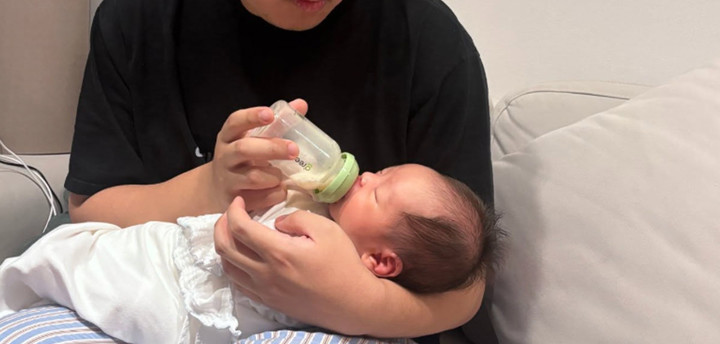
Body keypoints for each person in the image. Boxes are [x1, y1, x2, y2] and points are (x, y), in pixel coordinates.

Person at [61, 0, 496, 341]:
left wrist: (351, 301)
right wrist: (212, 185)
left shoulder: (429, 45)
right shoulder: (141, 19)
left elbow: (466, 286)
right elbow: (90, 211)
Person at [0, 165, 501, 344]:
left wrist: (350, 300)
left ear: (381, 263)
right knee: (81, 260)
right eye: (382, 171)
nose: (366, 175)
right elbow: (88, 205)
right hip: (154, 247)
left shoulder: (320, 242)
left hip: (172, 299)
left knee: (106, 285)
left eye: (378, 192)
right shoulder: (321, 206)